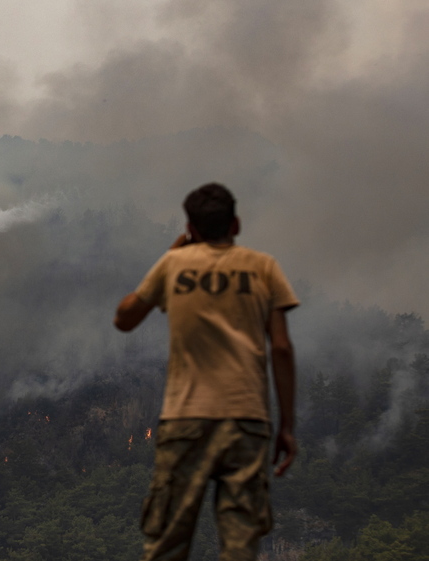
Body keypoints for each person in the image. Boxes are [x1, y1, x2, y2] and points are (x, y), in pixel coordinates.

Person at [113, 183, 298, 561]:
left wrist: (170, 255)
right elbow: (280, 347)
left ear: (191, 229)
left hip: (186, 418)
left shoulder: (173, 265)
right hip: (247, 419)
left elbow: (125, 318)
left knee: (167, 541)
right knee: (240, 545)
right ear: (236, 224)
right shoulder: (264, 267)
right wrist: (287, 426)